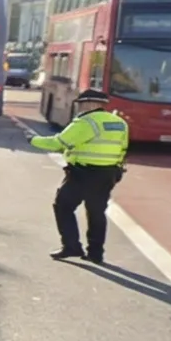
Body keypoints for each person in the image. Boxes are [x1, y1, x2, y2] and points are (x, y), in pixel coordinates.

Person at [30, 87, 131, 265]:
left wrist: (33, 139)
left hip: (83, 173)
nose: (80, 108)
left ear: (90, 104)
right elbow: (123, 148)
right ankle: (96, 253)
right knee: (97, 212)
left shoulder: (86, 122)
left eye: (81, 104)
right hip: (107, 173)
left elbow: (58, 143)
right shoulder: (119, 122)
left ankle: (71, 246)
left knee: (63, 206)